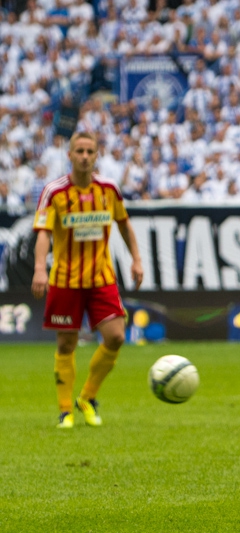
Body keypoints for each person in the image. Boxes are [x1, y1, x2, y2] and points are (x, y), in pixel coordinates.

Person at [31, 131, 144, 429]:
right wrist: (40, 268)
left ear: (96, 156)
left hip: (101, 277)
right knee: (66, 343)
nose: (84, 156)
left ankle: (88, 397)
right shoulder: (54, 191)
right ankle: (66, 410)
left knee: (116, 336)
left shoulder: (108, 189)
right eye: (79, 151)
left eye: (89, 151)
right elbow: (43, 232)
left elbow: (124, 224)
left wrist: (137, 259)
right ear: (69, 155)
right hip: (65, 279)